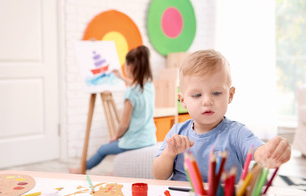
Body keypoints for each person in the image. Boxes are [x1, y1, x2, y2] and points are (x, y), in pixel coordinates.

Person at [153, 49, 291, 182]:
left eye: (217, 93)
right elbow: (159, 176)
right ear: (183, 100)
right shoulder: (177, 133)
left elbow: (260, 152)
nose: (207, 101)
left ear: (230, 95)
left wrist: (271, 152)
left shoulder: (237, 133)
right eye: (197, 95)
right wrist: (169, 153)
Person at [70, 45, 156, 173]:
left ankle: (82, 169)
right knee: (109, 149)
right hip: (149, 138)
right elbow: (136, 85)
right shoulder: (149, 86)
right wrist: (121, 77)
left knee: (102, 150)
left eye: (126, 65)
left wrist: (116, 136)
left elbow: (124, 125)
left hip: (134, 142)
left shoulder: (131, 93)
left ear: (130, 66)